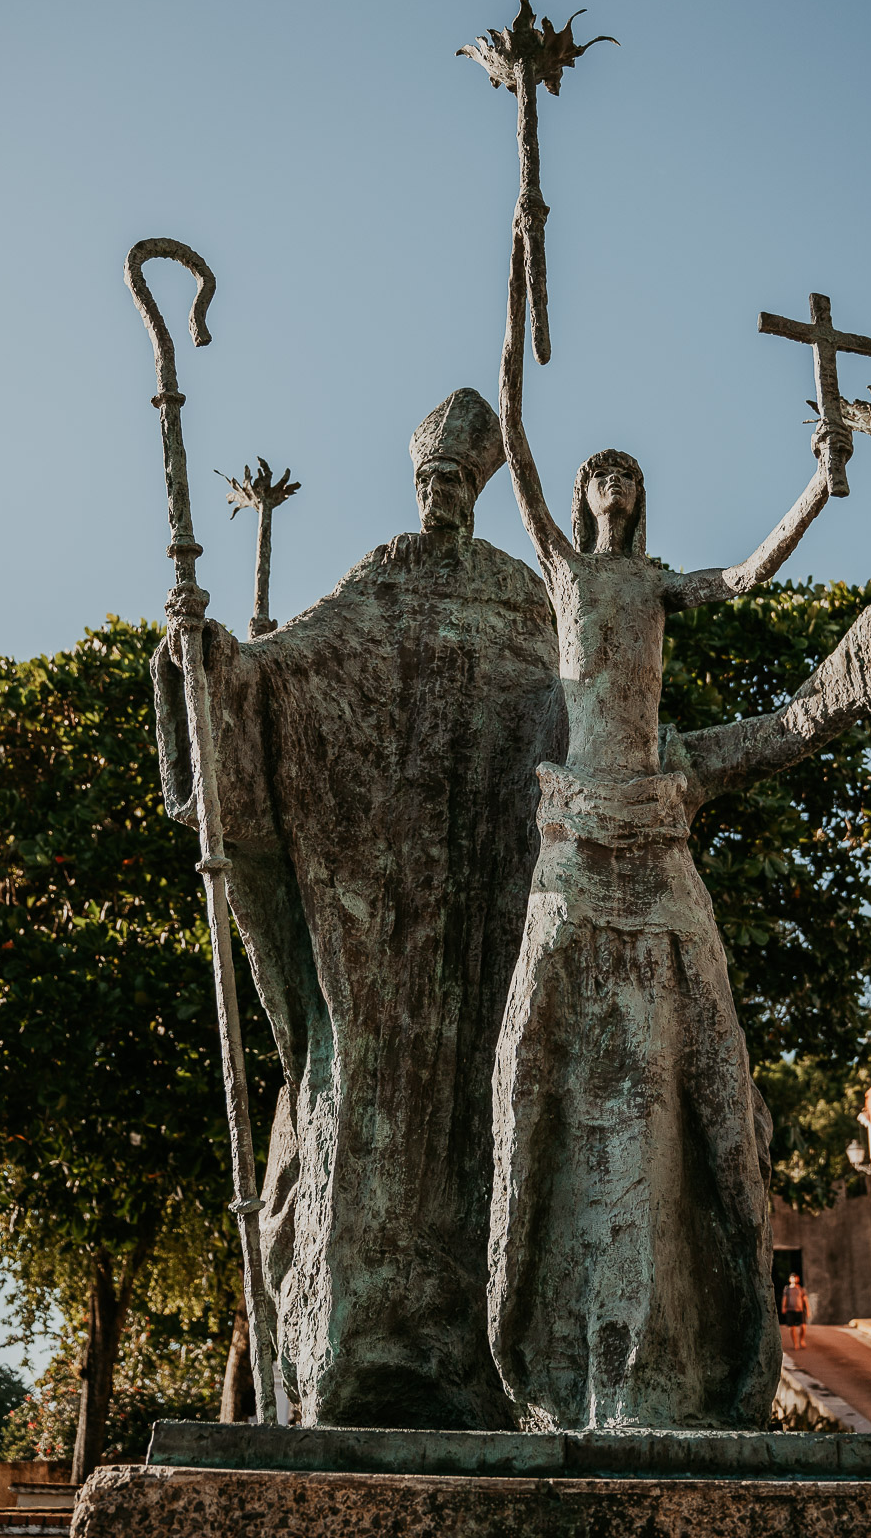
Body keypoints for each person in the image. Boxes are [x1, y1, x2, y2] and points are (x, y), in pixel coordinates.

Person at [487, 295, 871, 1432]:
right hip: (577, 837)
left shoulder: (657, 584)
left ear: (639, 497)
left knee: (710, 1062)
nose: (612, 491)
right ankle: (530, 1332)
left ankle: (715, 1353)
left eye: (626, 478)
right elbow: (516, 444)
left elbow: (747, 578)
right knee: (536, 1057)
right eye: (599, 478)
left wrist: (822, 481)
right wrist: (519, 266)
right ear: (581, 499)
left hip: (655, 838)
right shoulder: (565, 567)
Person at [154, 389, 563, 1428]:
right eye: (427, 480)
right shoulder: (382, 575)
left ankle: (485, 1361)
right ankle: (360, 1349)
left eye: (454, 483)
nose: (438, 498)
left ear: (477, 489)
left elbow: (571, 702)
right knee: (363, 1094)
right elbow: (301, 663)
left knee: (490, 1094)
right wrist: (214, 666)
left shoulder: (523, 595)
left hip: (491, 892)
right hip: (378, 904)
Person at [780, 1274, 811, 1350]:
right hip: (790, 1310)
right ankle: (795, 1344)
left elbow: (805, 1300)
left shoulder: (801, 1289)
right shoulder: (787, 1289)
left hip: (800, 1310)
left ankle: (801, 1340)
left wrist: (808, 1310)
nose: (794, 1279)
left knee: (803, 1327)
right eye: (792, 1277)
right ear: (790, 1279)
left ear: (798, 1279)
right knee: (792, 1328)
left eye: (795, 1277)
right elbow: (785, 1299)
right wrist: (783, 1307)